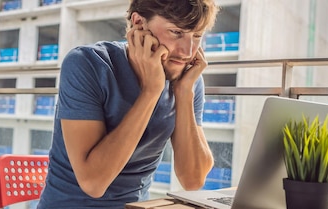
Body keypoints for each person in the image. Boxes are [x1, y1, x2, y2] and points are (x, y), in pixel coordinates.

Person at [37, 0, 219, 208]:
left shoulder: (186, 79)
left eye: (196, 36)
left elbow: (193, 181)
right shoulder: (87, 64)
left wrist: (184, 92)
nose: (188, 51)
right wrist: (151, 91)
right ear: (139, 22)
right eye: (176, 32)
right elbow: (93, 183)